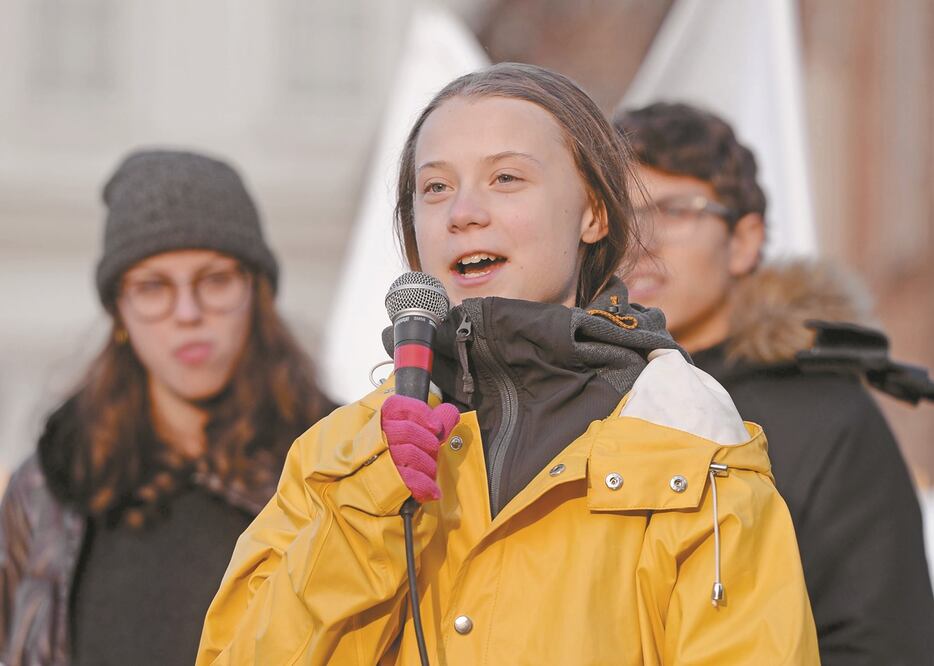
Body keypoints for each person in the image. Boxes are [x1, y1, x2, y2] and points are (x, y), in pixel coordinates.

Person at [197, 64, 818, 665]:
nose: (462, 211)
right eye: (435, 187)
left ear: (594, 213)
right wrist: (366, 511)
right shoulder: (338, 456)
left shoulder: (692, 442)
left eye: (506, 179)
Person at [613, 102, 934, 665]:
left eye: (675, 210)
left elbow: (882, 642)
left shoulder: (828, 413)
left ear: (744, 240)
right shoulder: (579, 398)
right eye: (622, 214)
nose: (641, 240)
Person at [0, 149, 335, 666]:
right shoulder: (48, 489)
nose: (187, 313)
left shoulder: (336, 468)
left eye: (215, 279)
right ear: (119, 310)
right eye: (153, 286)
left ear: (256, 293)